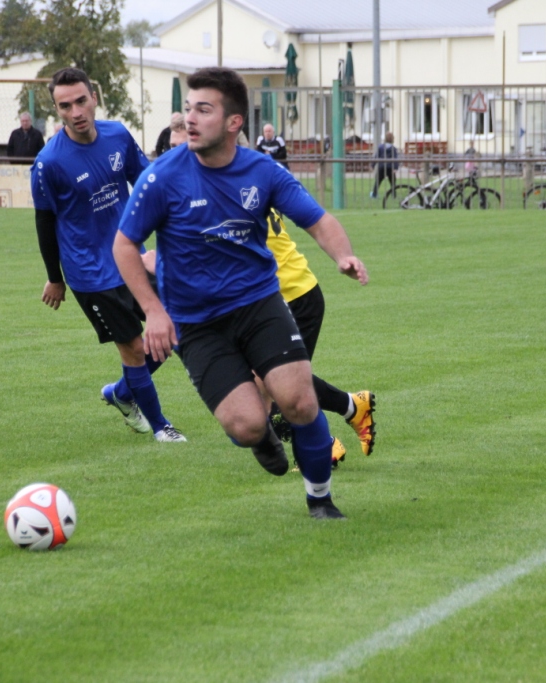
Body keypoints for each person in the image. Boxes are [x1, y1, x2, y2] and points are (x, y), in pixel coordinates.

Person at [113, 67, 369, 519]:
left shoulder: (261, 171)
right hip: (196, 324)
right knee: (247, 426)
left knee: (300, 400)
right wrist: (153, 311)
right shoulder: (163, 176)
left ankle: (320, 500)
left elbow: (318, 220)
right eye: (188, 108)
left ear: (234, 123)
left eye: (203, 110)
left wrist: (343, 256)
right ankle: (261, 439)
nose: (190, 119)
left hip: (259, 305)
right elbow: (124, 244)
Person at [140, 205, 377, 470]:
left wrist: (159, 263)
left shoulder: (228, 188)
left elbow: (213, 250)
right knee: (267, 385)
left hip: (290, 295)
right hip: (268, 298)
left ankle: (329, 440)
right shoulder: (235, 182)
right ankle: (348, 411)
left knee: (276, 386)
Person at [31, 67, 186, 444]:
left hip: (132, 258)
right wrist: (55, 277)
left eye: (81, 101)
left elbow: (148, 181)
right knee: (135, 346)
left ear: (94, 97)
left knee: (171, 334)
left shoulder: (117, 135)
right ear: (57, 110)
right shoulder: (48, 163)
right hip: (90, 273)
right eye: (64, 106)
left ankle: (121, 392)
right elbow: (44, 223)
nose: (76, 112)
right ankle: (160, 426)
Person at [369, 132, 399, 199]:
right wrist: (395, 168)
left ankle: (374, 194)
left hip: (381, 167)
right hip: (390, 167)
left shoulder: (380, 147)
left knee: (378, 181)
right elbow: (395, 158)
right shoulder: (393, 149)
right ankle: (394, 195)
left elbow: (376, 157)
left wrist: (372, 165)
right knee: (393, 182)